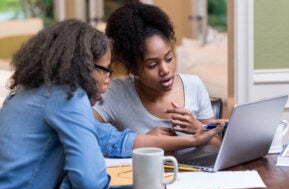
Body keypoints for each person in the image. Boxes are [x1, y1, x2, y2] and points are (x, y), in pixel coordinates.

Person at [0, 18, 223, 189]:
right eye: (106, 70)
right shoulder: (68, 97)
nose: (108, 79)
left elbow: (110, 139)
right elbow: (89, 182)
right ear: (84, 67)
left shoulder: (30, 91)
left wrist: (192, 139)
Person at [93, 2, 225, 145]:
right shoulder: (117, 92)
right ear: (133, 69)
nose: (165, 70)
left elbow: (217, 146)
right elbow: (82, 131)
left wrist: (199, 129)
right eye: (152, 65)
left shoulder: (194, 85)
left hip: (196, 168)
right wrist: (142, 140)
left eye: (169, 58)